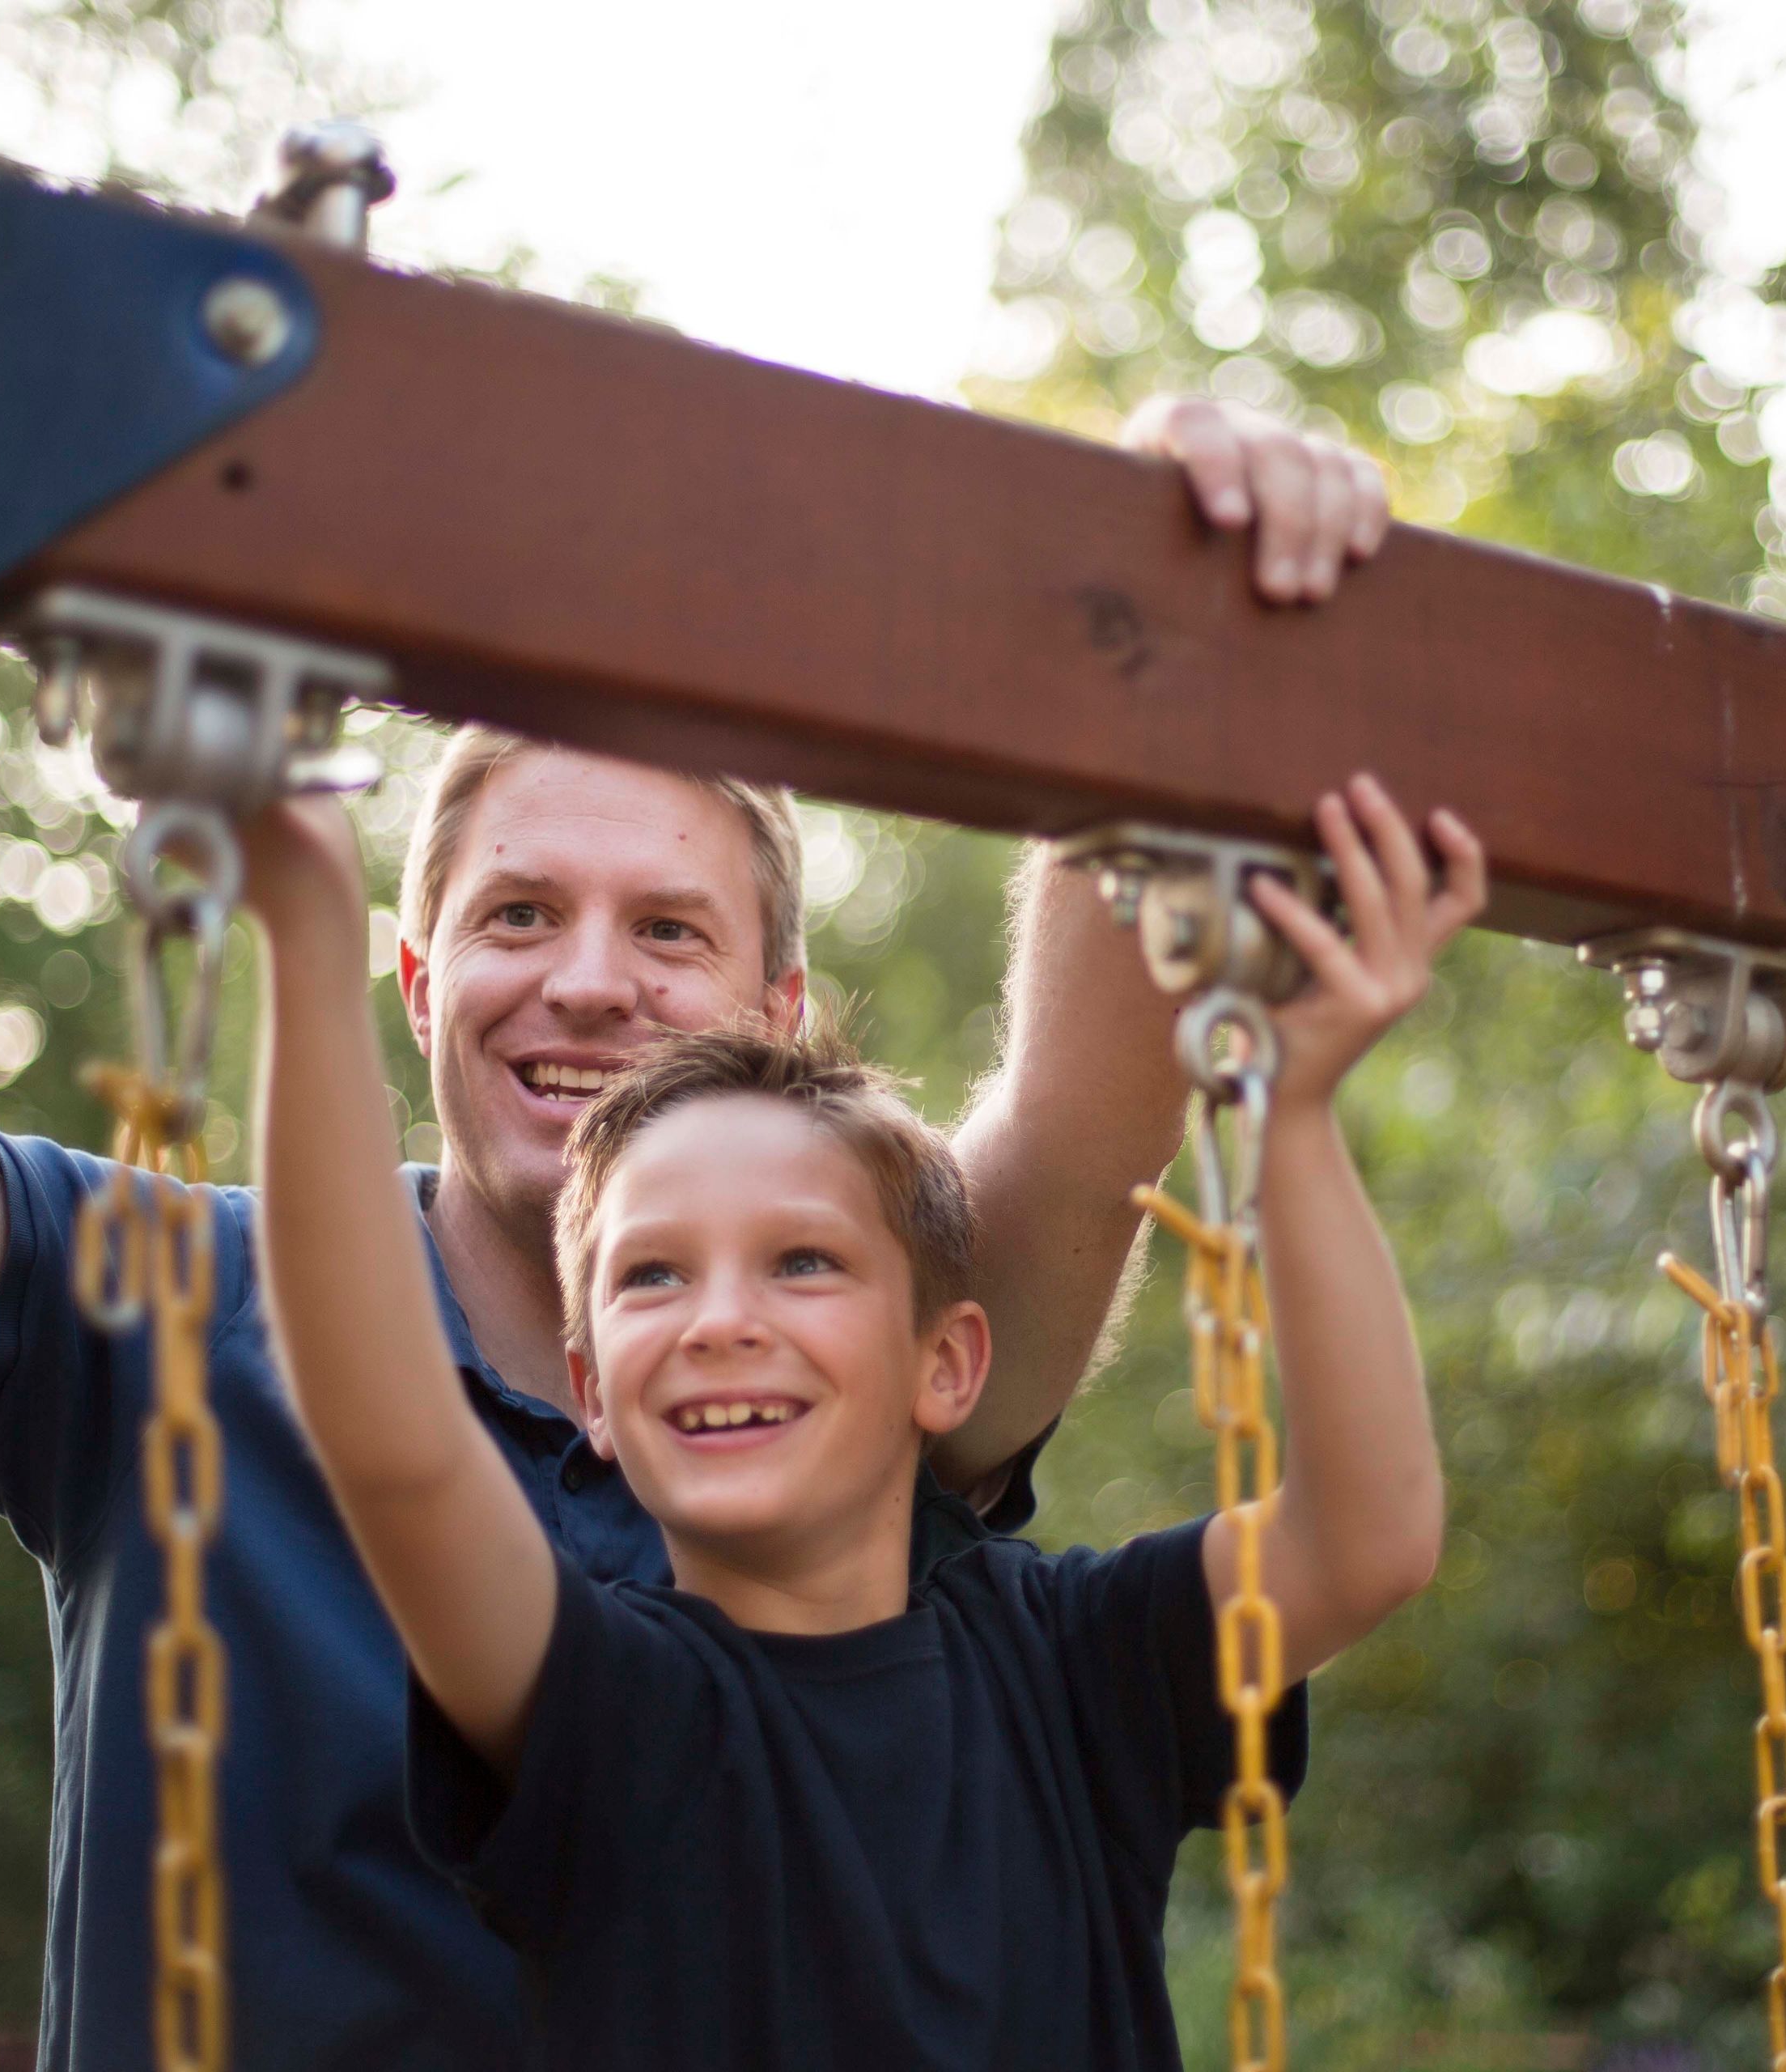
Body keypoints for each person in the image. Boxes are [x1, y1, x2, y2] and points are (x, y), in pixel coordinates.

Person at [0, 399, 1390, 2071]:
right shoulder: (162, 1305)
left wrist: (1166, 564)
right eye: (521, 913)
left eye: (669, 928)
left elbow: (1086, 1130)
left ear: (782, 1013)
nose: (587, 977)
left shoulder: (843, 1368)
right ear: (415, 983)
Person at [240, 763, 1487, 2070]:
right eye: (655, 1273)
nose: (722, 1318)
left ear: (943, 1367)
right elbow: (394, 1450)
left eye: (803, 1263)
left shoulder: (1077, 1669)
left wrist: (1291, 1107)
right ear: (594, 1390)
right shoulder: (608, 1713)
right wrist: (310, 929)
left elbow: (1371, 1536)